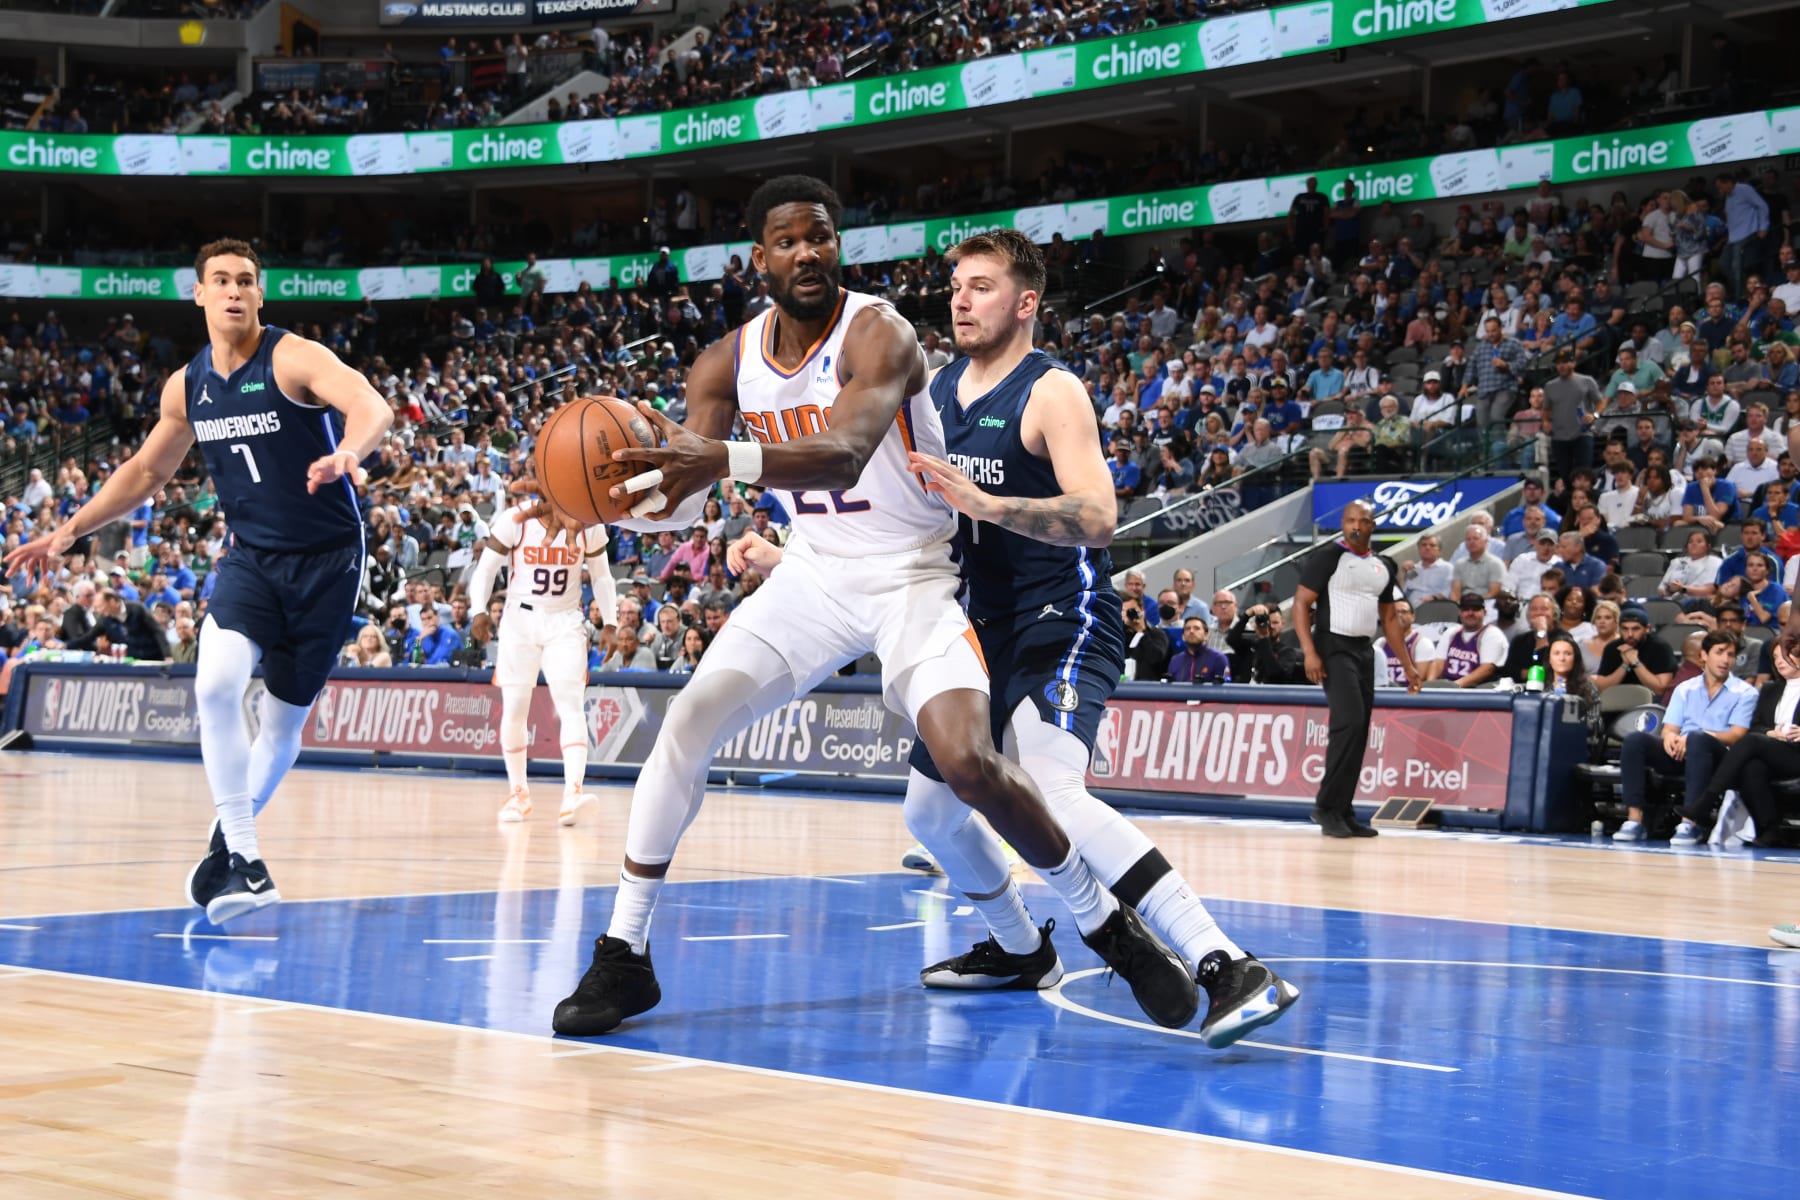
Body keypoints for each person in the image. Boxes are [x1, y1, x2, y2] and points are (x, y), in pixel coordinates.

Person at [550, 178, 1195, 1038]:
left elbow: (846, 453)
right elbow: (687, 491)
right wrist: (617, 493)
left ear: (838, 246)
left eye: (820, 237)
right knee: (687, 721)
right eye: (787, 242)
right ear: (760, 259)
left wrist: (722, 460)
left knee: (967, 764)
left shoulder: (878, 330)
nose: (807, 253)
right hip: (815, 576)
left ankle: (1103, 923)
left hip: (916, 574)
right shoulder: (723, 362)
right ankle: (624, 954)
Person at [892, 228, 1290, 1044]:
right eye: (956, 286)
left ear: (1026, 302)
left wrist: (991, 506)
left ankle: (1225, 962)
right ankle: (1017, 948)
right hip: (971, 630)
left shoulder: (1052, 392)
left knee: (1052, 789)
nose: (960, 300)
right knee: (929, 816)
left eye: (982, 286)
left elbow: (1102, 516)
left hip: (1059, 616)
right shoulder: (932, 396)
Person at [3, 238, 391, 925]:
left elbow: (369, 403)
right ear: (200, 294)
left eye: (246, 279)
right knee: (213, 683)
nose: (235, 290)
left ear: (260, 294)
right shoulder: (186, 386)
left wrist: (347, 453)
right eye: (222, 280)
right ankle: (247, 857)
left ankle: (224, 847)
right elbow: (146, 473)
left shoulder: (293, 355)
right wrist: (69, 532)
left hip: (328, 557)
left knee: (283, 718)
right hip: (250, 558)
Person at [468, 502, 616, 826]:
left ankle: (573, 793)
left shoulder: (589, 521)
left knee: (572, 705)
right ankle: (518, 793)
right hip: (519, 619)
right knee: (516, 706)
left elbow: (602, 576)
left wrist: (611, 622)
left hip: (565, 620)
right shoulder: (515, 519)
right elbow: (486, 569)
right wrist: (478, 609)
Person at [1292, 500, 1422, 838]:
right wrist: (1309, 652)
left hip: (1364, 650)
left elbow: (1391, 618)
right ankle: (1326, 806)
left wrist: (1407, 665)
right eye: (1348, 519)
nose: (1353, 526)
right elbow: (1301, 603)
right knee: (1347, 722)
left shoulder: (1383, 565)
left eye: (1361, 521)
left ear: (1371, 525)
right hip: (1333, 647)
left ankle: (1343, 809)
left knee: (1360, 729)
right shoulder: (1328, 557)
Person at [1613, 630, 1754, 842]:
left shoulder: (1745, 692)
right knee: (1636, 740)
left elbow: (1736, 736)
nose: (1726, 659)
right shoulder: (1684, 689)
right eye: (1720, 652)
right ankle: (1634, 820)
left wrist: (1698, 736)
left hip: (1720, 760)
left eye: (1731, 654)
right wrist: (1670, 737)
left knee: (1698, 739)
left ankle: (1690, 823)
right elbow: (1670, 728)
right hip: (1682, 752)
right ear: (1703, 656)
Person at [1676, 636, 1800, 846]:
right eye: (1775, 657)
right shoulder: (1771, 689)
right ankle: (1769, 829)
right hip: (1774, 750)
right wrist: (1771, 733)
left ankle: (1705, 802)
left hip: (1796, 754)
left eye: (1785, 656)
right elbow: (1758, 725)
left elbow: (1753, 735)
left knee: (1751, 742)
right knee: (1752, 767)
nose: (1779, 661)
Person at [1439, 592, 1509, 687]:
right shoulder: (1451, 632)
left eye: (1476, 609)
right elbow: (1438, 663)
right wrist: (1430, 686)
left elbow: (1486, 670)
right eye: (1466, 609)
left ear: (1484, 612)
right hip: (1449, 686)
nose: (1470, 613)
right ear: (1459, 613)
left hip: (1477, 691)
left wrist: (1455, 686)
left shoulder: (1493, 634)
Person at [1163, 615, 1230, 682]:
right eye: (1188, 629)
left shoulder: (1218, 658)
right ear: (1183, 636)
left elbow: (1225, 688)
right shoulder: (1175, 660)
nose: (1191, 631)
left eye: (1197, 628)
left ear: (1206, 635)